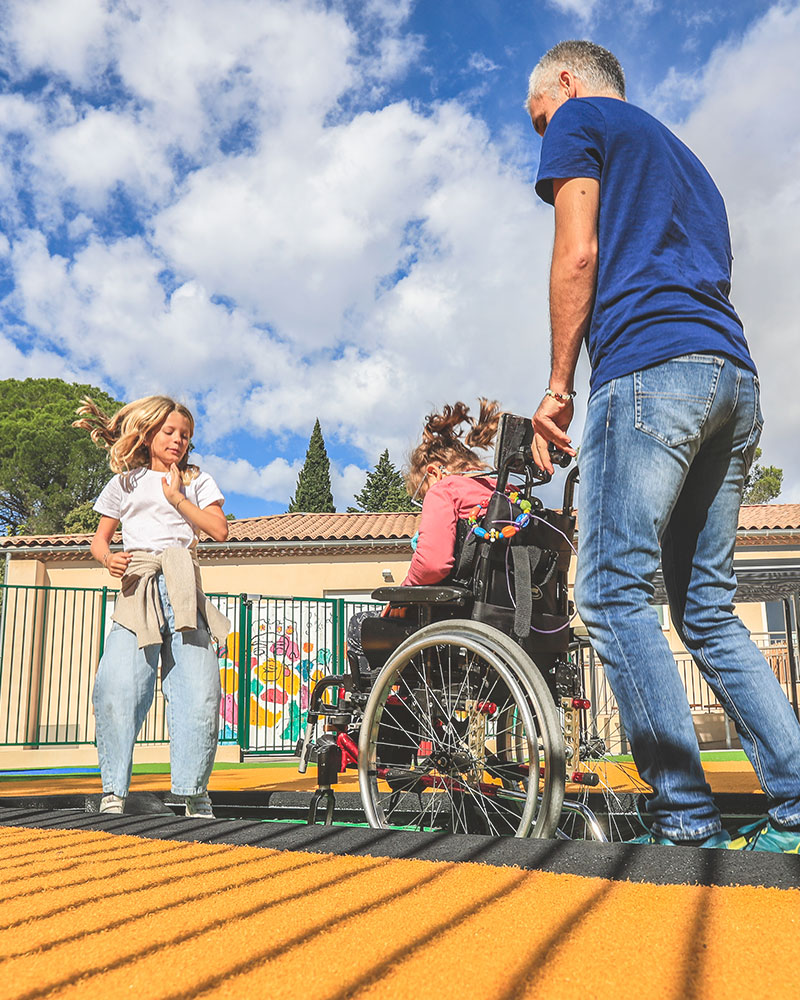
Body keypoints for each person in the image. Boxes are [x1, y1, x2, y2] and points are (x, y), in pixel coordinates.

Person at [526, 40, 800, 851]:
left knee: (611, 594)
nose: (542, 131)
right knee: (707, 609)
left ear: (567, 84)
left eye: (536, 115)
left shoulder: (577, 118)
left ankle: (685, 819)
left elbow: (579, 250)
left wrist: (557, 386)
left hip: (649, 370)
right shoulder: (689, 163)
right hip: (733, 378)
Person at [74, 395, 230, 817]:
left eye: (185, 435)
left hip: (182, 587)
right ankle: (113, 793)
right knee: (118, 686)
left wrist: (179, 498)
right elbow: (99, 541)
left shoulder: (197, 479)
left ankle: (195, 795)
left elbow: (218, 530)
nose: (178, 440)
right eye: (170, 432)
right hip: (137, 587)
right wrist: (109, 559)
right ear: (149, 433)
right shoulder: (125, 483)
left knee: (199, 692)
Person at [347, 399, 500, 674]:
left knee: (360, 624)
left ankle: (380, 711)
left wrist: (402, 594)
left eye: (422, 492)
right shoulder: (505, 493)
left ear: (433, 471)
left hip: (452, 622)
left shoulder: (447, 489)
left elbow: (433, 564)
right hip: (505, 618)